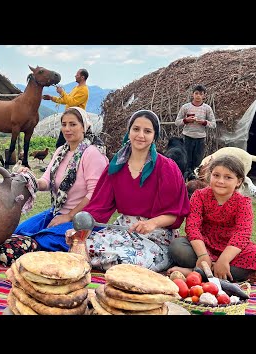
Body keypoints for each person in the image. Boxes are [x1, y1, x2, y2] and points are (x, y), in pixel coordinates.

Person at [81, 109, 190, 272]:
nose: (141, 135)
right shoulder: (116, 166)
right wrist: (82, 231)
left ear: (154, 136)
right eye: (136, 129)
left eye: (147, 131)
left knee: (128, 263)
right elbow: (99, 206)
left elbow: (175, 213)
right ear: (129, 132)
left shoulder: (167, 168)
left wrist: (152, 223)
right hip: (124, 230)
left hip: (156, 235)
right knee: (84, 248)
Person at [13, 106, 108, 252]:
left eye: (73, 124)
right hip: (57, 212)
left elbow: (94, 193)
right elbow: (46, 182)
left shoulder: (92, 154)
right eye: (64, 124)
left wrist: (69, 216)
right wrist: (30, 179)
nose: (67, 129)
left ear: (84, 127)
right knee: (17, 233)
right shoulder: (60, 152)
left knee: (41, 243)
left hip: (82, 219)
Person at [167, 155, 256, 283]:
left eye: (228, 177)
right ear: (210, 175)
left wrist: (224, 260)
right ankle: (210, 271)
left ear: (239, 181)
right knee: (177, 246)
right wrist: (202, 255)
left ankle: (196, 272)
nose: (220, 181)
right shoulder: (199, 195)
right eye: (216, 175)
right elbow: (192, 227)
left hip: (230, 248)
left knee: (255, 255)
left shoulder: (243, 202)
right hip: (203, 244)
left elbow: (243, 233)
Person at [174, 84, 216, 177]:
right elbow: (177, 122)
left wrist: (204, 122)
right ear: (192, 94)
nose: (198, 96)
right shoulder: (186, 107)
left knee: (198, 162)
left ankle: (196, 183)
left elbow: (213, 124)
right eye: (196, 93)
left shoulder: (207, 108)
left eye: (201, 94)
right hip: (187, 138)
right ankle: (184, 182)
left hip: (200, 139)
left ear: (204, 96)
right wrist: (186, 120)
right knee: (186, 161)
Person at [42, 68, 89, 148]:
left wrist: (62, 92)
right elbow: (66, 100)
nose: (75, 76)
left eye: (77, 75)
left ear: (82, 77)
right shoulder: (76, 88)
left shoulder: (84, 90)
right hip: (69, 119)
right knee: (63, 144)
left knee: (61, 144)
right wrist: (51, 98)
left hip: (75, 119)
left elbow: (71, 102)